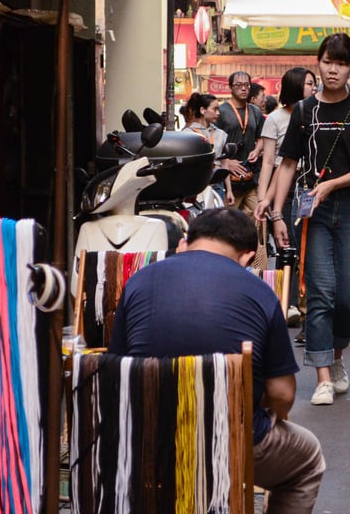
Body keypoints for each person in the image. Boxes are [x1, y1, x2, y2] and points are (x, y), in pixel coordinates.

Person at [108, 207, 326, 513]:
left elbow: (116, 369)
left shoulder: (138, 281)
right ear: (247, 257)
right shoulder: (261, 292)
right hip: (228, 439)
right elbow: (283, 394)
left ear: (185, 242)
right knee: (307, 460)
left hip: (144, 440)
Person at [268, 34, 350, 406]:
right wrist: (277, 214)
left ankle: (336, 356)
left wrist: (333, 183)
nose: (333, 69)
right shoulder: (303, 111)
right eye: (327, 62)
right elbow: (287, 164)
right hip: (311, 209)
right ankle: (322, 377)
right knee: (319, 292)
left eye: (341, 63)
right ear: (318, 63)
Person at [254, 67, 318, 326]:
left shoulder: (317, 113)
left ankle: (307, 304)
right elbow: (268, 161)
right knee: (288, 247)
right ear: (294, 86)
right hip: (285, 189)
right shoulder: (276, 119)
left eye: (314, 83)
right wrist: (262, 198)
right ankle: (288, 302)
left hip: (311, 186)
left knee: (311, 247)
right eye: (309, 84)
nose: (313, 88)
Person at [217, 71, 265, 217]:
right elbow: (215, 143)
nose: (243, 88)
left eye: (246, 85)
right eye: (238, 85)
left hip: (250, 174)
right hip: (229, 179)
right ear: (230, 87)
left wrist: (257, 150)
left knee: (257, 218)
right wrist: (227, 162)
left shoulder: (255, 111)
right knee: (228, 221)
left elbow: (261, 137)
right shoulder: (221, 111)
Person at [186, 92, 234, 205]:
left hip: (217, 183)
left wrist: (229, 190)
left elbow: (224, 163)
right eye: (215, 109)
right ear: (203, 110)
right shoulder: (188, 134)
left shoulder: (220, 134)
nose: (218, 113)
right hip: (196, 184)